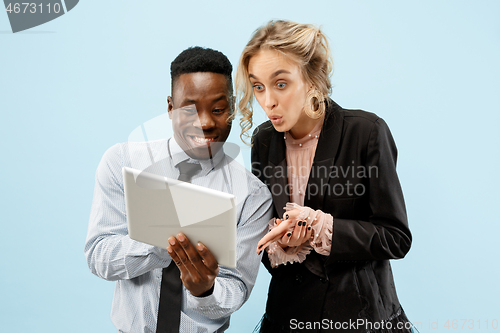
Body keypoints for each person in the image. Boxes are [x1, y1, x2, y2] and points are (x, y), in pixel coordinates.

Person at [235, 20, 414, 332]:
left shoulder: (367, 132)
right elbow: (264, 241)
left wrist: (320, 226)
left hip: (359, 317)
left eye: (280, 84)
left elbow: (395, 238)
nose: (267, 102)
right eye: (258, 86)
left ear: (311, 79)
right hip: (286, 316)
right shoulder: (263, 140)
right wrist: (282, 245)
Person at [85, 46, 273, 333]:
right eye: (189, 110)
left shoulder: (253, 196)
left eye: (219, 109)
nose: (206, 122)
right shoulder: (122, 162)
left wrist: (205, 290)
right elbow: (99, 256)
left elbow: (238, 288)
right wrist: (160, 244)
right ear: (171, 107)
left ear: (232, 108)